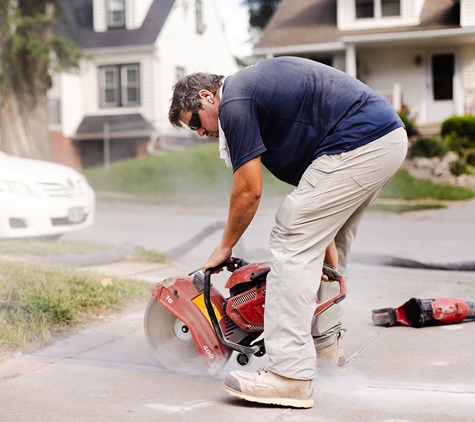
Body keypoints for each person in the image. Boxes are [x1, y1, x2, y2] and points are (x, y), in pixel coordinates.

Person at [168, 56, 407, 409]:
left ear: (207, 97)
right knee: (328, 246)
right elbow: (313, 173)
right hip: (383, 139)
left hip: (359, 142)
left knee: (290, 237)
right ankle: (325, 353)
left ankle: (289, 375)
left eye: (196, 123)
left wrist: (225, 246)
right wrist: (321, 232)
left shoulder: (234, 101)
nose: (201, 133)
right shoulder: (252, 92)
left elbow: (249, 190)